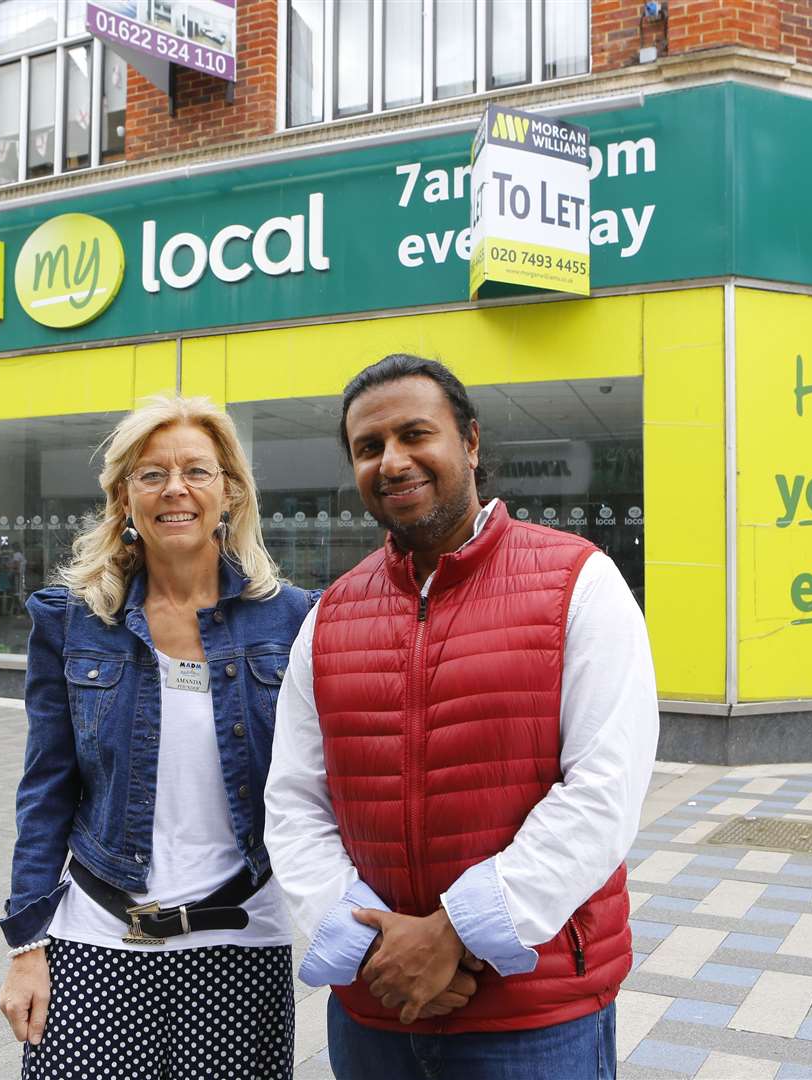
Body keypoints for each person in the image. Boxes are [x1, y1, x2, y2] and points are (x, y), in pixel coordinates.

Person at [265, 356, 659, 1079]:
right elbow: (294, 801)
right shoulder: (327, 618)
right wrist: (380, 951)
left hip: (534, 1018)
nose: (393, 461)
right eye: (369, 447)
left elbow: (606, 789)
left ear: (471, 443)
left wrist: (455, 934)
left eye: (416, 434)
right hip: (375, 1009)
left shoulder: (580, 582)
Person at [0, 396, 317, 1080]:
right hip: (97, 936)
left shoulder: (292, 621)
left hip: (239, 942)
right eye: (151, 474)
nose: (175, 488)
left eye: (196, 471)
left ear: (229, 491)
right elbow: (46, 790)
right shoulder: (72, 621)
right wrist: (26, 944)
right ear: (123, 498)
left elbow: (324, 785)